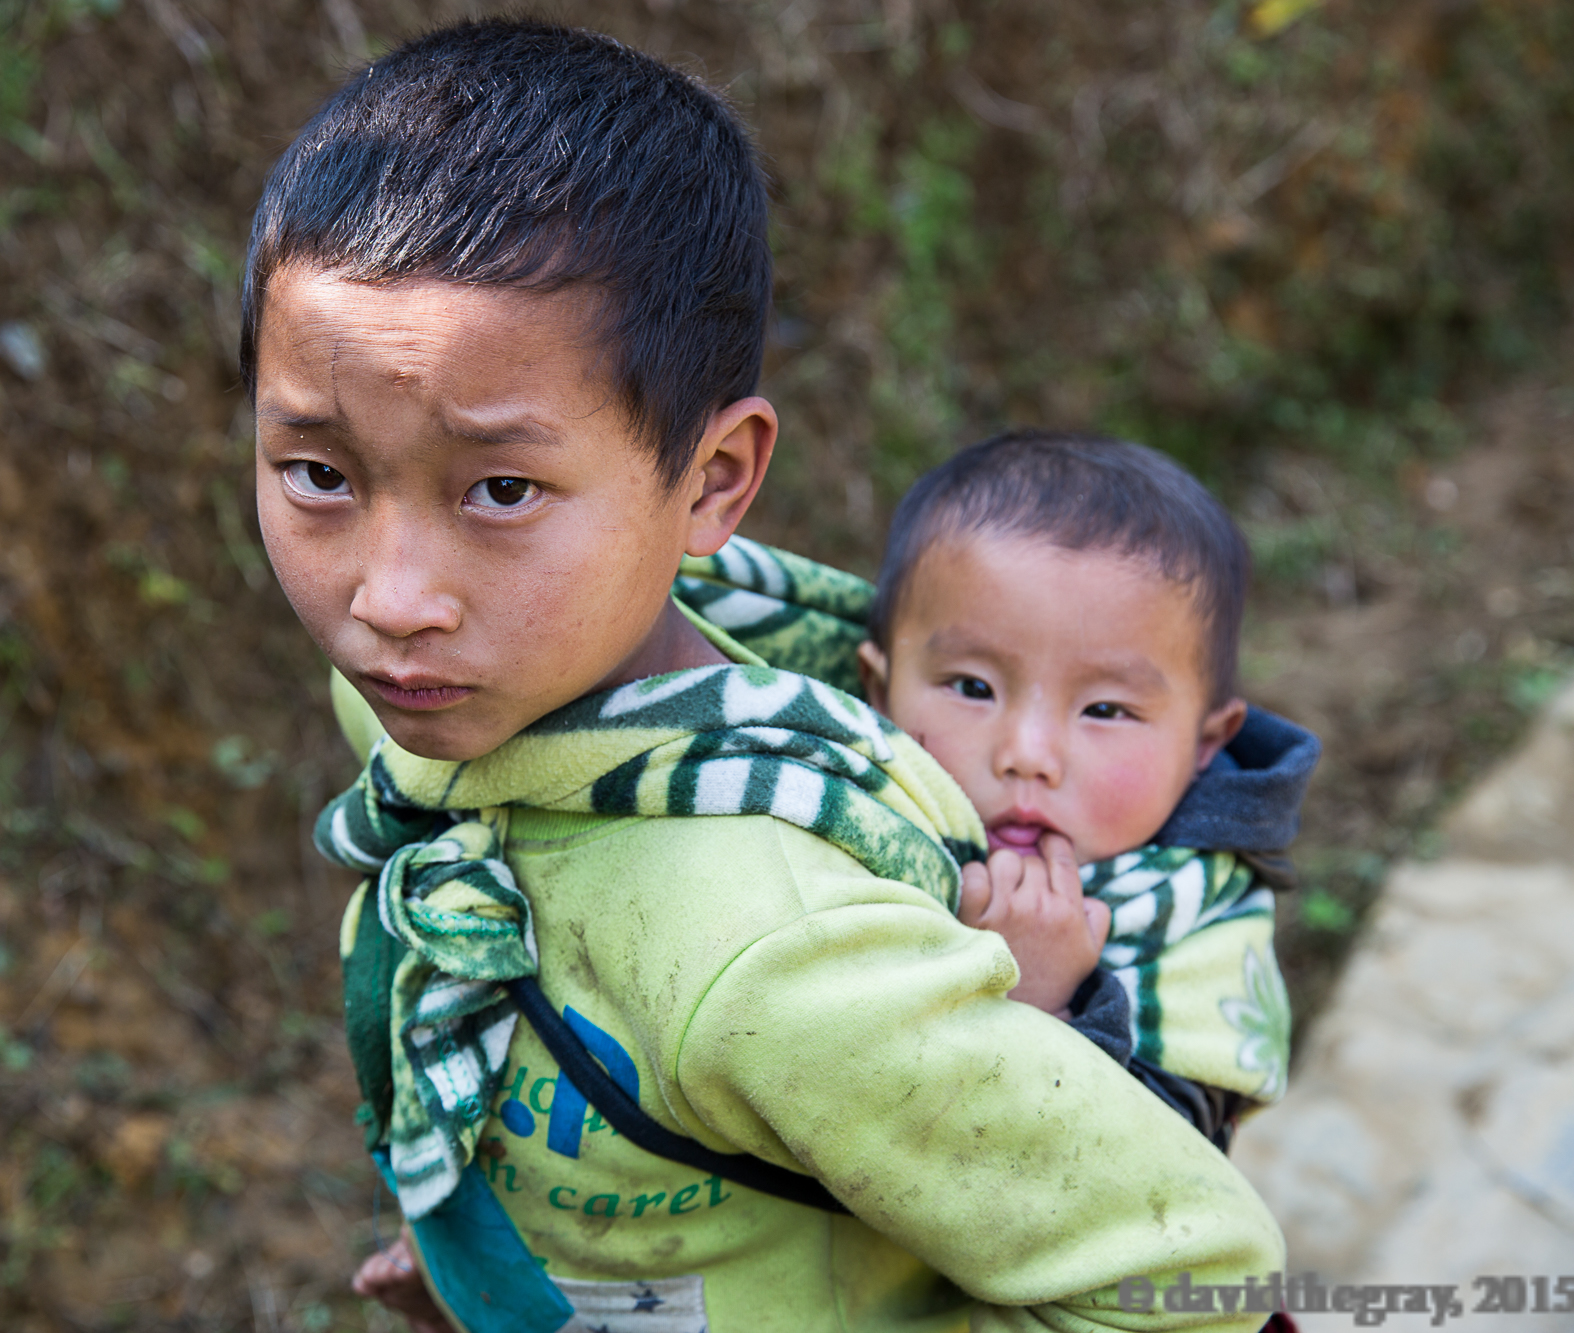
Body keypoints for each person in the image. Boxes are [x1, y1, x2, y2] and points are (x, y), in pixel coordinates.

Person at [241, 19, 1284, 1333]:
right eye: (319, 474)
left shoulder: (776, 952)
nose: (389, 600)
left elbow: (1197, 1281)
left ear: (712, 480)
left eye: (500, 490)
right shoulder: (426, 697)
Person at [854, 431, 1321, 1148]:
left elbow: (1158, 1173)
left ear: (1204, 743)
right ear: (878, 689)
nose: (1027, 754)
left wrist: (1042, 1004)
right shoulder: (813, 802)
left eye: (1104, 709)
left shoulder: (1204, 926)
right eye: (973, 687)